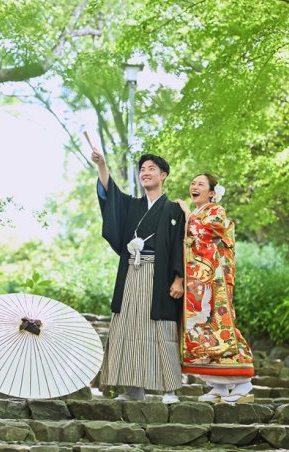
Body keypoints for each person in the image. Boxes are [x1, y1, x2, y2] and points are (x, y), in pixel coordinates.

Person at [91, 149, 186, 404]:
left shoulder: (174, 209)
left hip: (160, 275)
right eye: (142, 169)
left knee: (161, 328)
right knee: (128, 325)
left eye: (152, 168)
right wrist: (102, 165)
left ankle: (169, 389)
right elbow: (111, 196)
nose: (145, 172)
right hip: (132, 271)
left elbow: (181, 243)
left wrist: (179, 279)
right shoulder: (133, 206)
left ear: (163, 175)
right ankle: (133, 389)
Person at [176, 174, 255, 404]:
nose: (194, 186)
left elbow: (209, 233)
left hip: (215, 280)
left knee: (222, 327)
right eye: (192, 183)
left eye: (200, 184)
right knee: (202, 331)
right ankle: (218, 385)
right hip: (198, 282)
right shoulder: (198, 214)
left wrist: (187, 215)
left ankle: (243, 381)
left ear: (212, 192)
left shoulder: (215, 211)